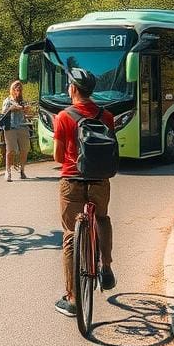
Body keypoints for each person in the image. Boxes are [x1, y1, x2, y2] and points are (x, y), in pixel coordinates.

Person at [52, 67, 116, 317]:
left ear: (74, 89)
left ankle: (72, 298)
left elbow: (58, 156)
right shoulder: (106, 116)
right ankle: (107, 268)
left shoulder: (64, 117)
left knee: (70, 236)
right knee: (101, 218)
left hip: (72, 180)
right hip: (100, 179)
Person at [0, 80, 31, 181]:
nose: (19, 92)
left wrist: (26, 109)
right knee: (11, 150)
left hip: (22, 126)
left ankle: (22, 170)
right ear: (12, 90)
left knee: (24, 149)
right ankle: (8, 171)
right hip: (10, 127)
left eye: (20, 90)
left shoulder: (22, 101)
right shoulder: (8, 101)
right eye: (17, 89)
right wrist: (12, 109)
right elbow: (3, 113)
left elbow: (27, 113)